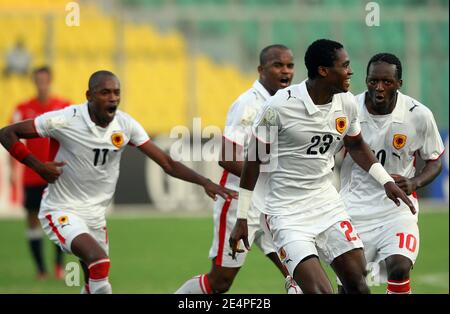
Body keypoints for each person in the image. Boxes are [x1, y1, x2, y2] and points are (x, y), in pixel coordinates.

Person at [0, 70, 237, 294]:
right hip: (61, 209)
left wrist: (205, 182)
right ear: (89, 96)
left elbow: (166, 161)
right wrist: (37, 165)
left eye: (116, 93)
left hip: (95, 216)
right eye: (105, 93)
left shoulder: (125, 125)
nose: (113, 98)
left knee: (98, 284)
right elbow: (7, 133)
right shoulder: (65, 120)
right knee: (99, 262)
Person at [229, 39, 416, 294]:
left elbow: (357, 144)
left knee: (358, 284)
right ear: (323, 70)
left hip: (327, 204)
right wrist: (242, 217)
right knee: (320, 292)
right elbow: (253, 162)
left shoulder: (346, 103)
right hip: (286, 212)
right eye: (345, 66)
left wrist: (386, 181)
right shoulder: (279, 107)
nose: (350, 72)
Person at [175, 45, 301, 294]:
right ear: (261, 69)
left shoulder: (288, 102)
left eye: (289, 65)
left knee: (301, 269)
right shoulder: (248, 105)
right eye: (278, 65)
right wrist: (272, 175)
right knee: (220, 281)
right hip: (239, 202)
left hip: (274, 203)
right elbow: (227, 157)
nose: (285, 71)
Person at [337, 53, 444, 294]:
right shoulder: (348, 110)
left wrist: (414, 182)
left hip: (396, 211)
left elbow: (435, 160)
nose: (379, 88)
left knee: (399, 267)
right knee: (353, 283)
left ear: (399, 84)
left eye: (387, 82)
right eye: (373, 81)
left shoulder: (418, 115)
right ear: (365, 80)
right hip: (352, 210)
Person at [10, 66, 70, 280]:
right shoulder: (23, 109)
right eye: (38, 80)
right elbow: (12, 140)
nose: (41, 84)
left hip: (56, 173)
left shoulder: (63, 106)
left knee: (61, 219)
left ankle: (58, 267)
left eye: (44, 80)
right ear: (34, 82)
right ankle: (41, 270)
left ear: (50, 81)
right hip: (32, 174)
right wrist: (12, 170)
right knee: (32, 220)